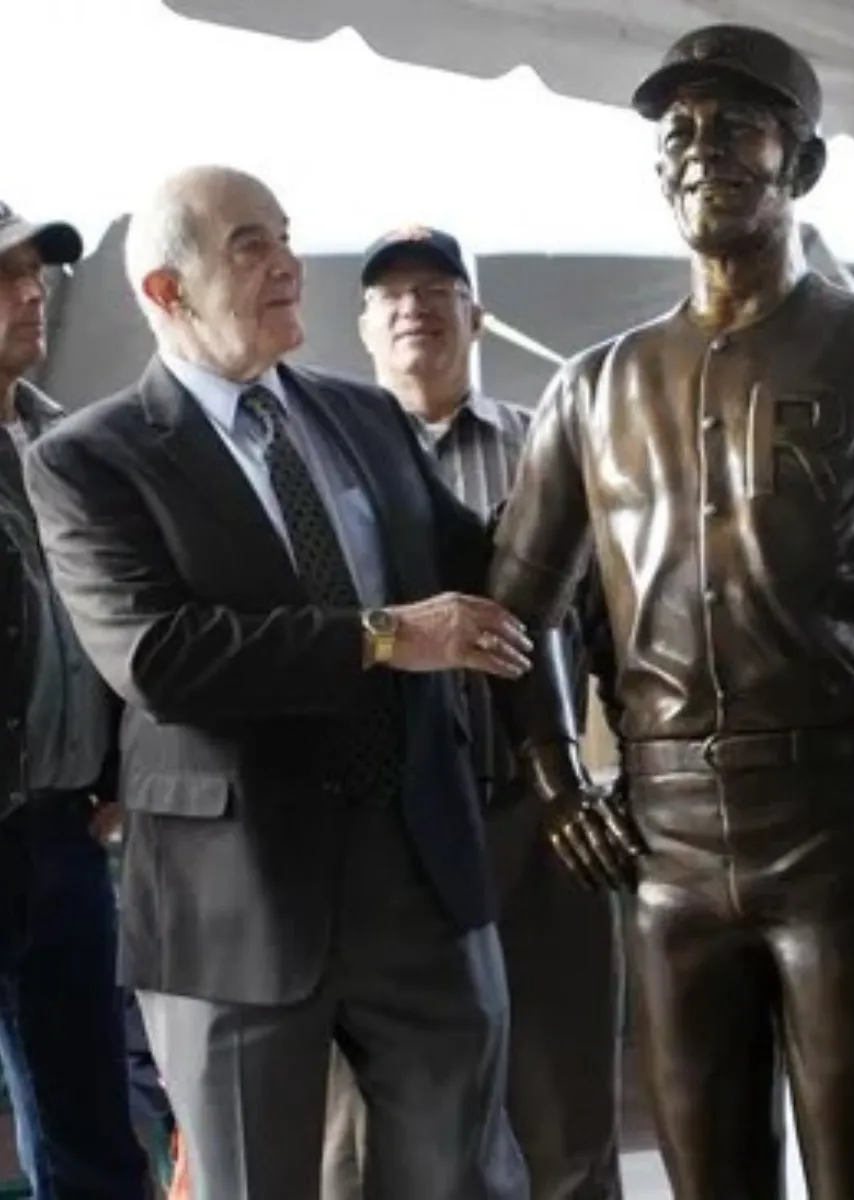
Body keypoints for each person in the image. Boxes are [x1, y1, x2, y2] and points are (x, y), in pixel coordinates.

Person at [484, 23, 854, 1200]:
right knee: (708, 1175)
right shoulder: (590, 387)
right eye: (679, 133)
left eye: (738, 127)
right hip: (667, 847)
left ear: (802, 164)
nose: (701, 151)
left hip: (844, 826)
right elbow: (513, 612)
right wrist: (559, 777)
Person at [21, 165, 533, 1200]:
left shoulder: (366, 418)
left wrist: (598, 486)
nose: (290, 264)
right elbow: (161, 655)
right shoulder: (89, 459)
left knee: (466, 1179)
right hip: (232, 902)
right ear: (168, 291)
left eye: (287, 237)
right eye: (250, 245)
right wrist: (385, 637)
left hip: (420, 882)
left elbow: (480, 566)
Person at [341, 225, 623, 1200]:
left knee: (564, 1097)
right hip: (386, 823)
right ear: (364, 324)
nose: (414, 305)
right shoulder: (329, 459)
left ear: (479, 316)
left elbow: (610, 621)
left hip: (534, 808)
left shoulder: (549, 450)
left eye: (438, 288)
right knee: (407, 1113)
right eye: (392, 293)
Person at [0, 201, 151, 1199]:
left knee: (92, 1129)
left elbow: (114, 626)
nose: (33, 293)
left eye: (36, 273)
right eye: (5, 279)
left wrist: (115, 769)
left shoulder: (63, 451)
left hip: (58, 836)